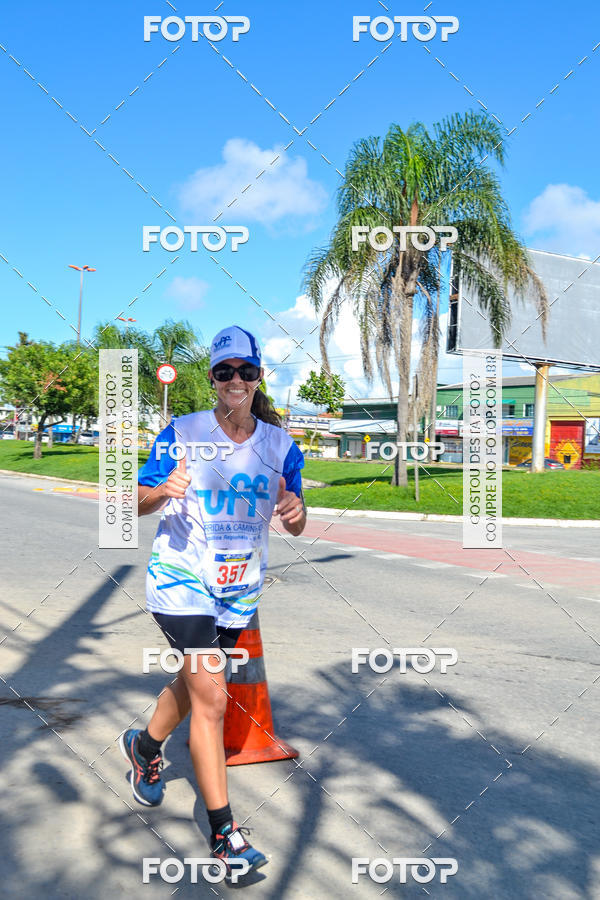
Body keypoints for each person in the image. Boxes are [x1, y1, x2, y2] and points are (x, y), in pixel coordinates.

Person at [120, 325, 306, 876]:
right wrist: (159, 492)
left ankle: (144, 747)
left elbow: (295, 518)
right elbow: (131, 502)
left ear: (258, 376)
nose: (235, 380)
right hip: (180, 580)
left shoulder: (280, 447)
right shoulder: (182, 432)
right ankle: (224, 835)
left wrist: (297, 515)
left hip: (238, 589)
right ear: (212, 378)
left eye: (245, 371)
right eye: (225, 371)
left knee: (196, 684)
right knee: (213, 698)